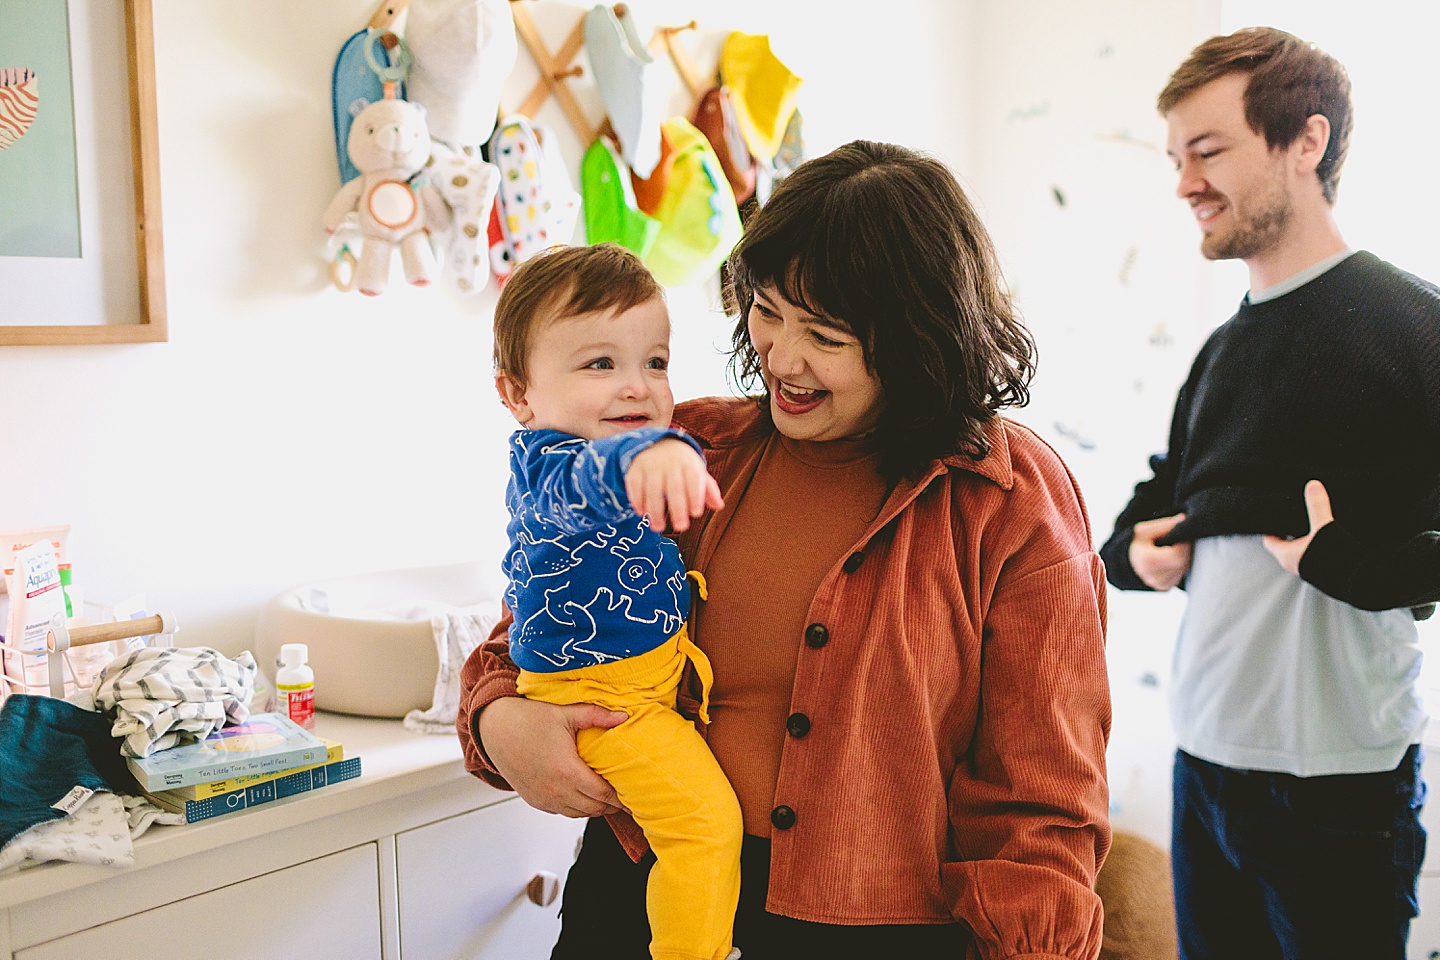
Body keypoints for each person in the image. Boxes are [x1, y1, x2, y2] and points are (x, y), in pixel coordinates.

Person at [459, 140, 1112, 960]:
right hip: (644, 894)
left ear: (917, 342)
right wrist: (501, 723)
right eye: (767, 311)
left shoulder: (1008, 500)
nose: (782, 358)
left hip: (877, 933)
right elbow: (533, 623)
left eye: (827, 336)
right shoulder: (689, 449)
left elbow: (1042, 798)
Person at [1100, 27, 1440, 960]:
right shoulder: (1221, 353)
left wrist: (1351, 567)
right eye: (1176, 159)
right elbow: (1143, 513)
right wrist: (1134, 555)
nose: (1183, 183)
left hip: (1339, 796)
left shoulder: (1418, 329)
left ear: (1306, 143)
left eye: (1207, 151)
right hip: (1205, 774)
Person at [489, 243, 742, 960]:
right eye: (600, 364)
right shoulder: (552, 465)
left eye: (655, 362)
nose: (637, 386)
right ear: (518, 395)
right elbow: (588, 484)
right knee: (704, 827)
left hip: (643, 683)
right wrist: (649, 455)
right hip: (603, 697)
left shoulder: (643, 443)